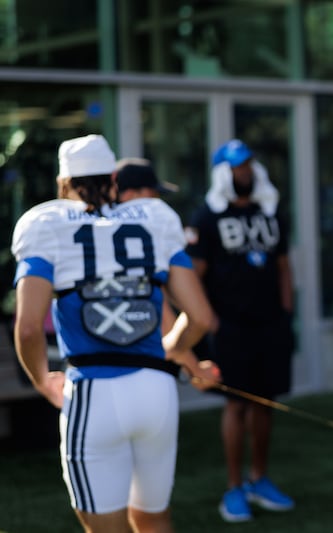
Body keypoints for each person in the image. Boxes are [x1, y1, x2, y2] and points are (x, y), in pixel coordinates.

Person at [12, 134, 221, 533]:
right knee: (154, 520)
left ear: (63, 183)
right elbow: (199, 317)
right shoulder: (155, 218)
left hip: (92, 391)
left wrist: (42, 380)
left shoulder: (45, 225)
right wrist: (171, 349)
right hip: (156, 390)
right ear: (113, 176)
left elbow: (27, 327)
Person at [184, 139, 295, 523]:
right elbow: (193, 276)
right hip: (230, 326)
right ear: (222, 173)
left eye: (248, 166)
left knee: (265, 403)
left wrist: (286, 310)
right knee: (236, 404)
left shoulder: (272, 212)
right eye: (236, 168)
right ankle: (233, 488)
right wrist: (209, 320)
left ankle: (259, 479)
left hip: (270, 325)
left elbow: (283, 265)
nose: (244, 173)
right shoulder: (206, 218)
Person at [113, 157, 181, 334]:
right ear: (130, 195)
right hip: (146, 339)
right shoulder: (150, 231)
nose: (157, 201)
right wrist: (189, 361)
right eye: (152, 194)